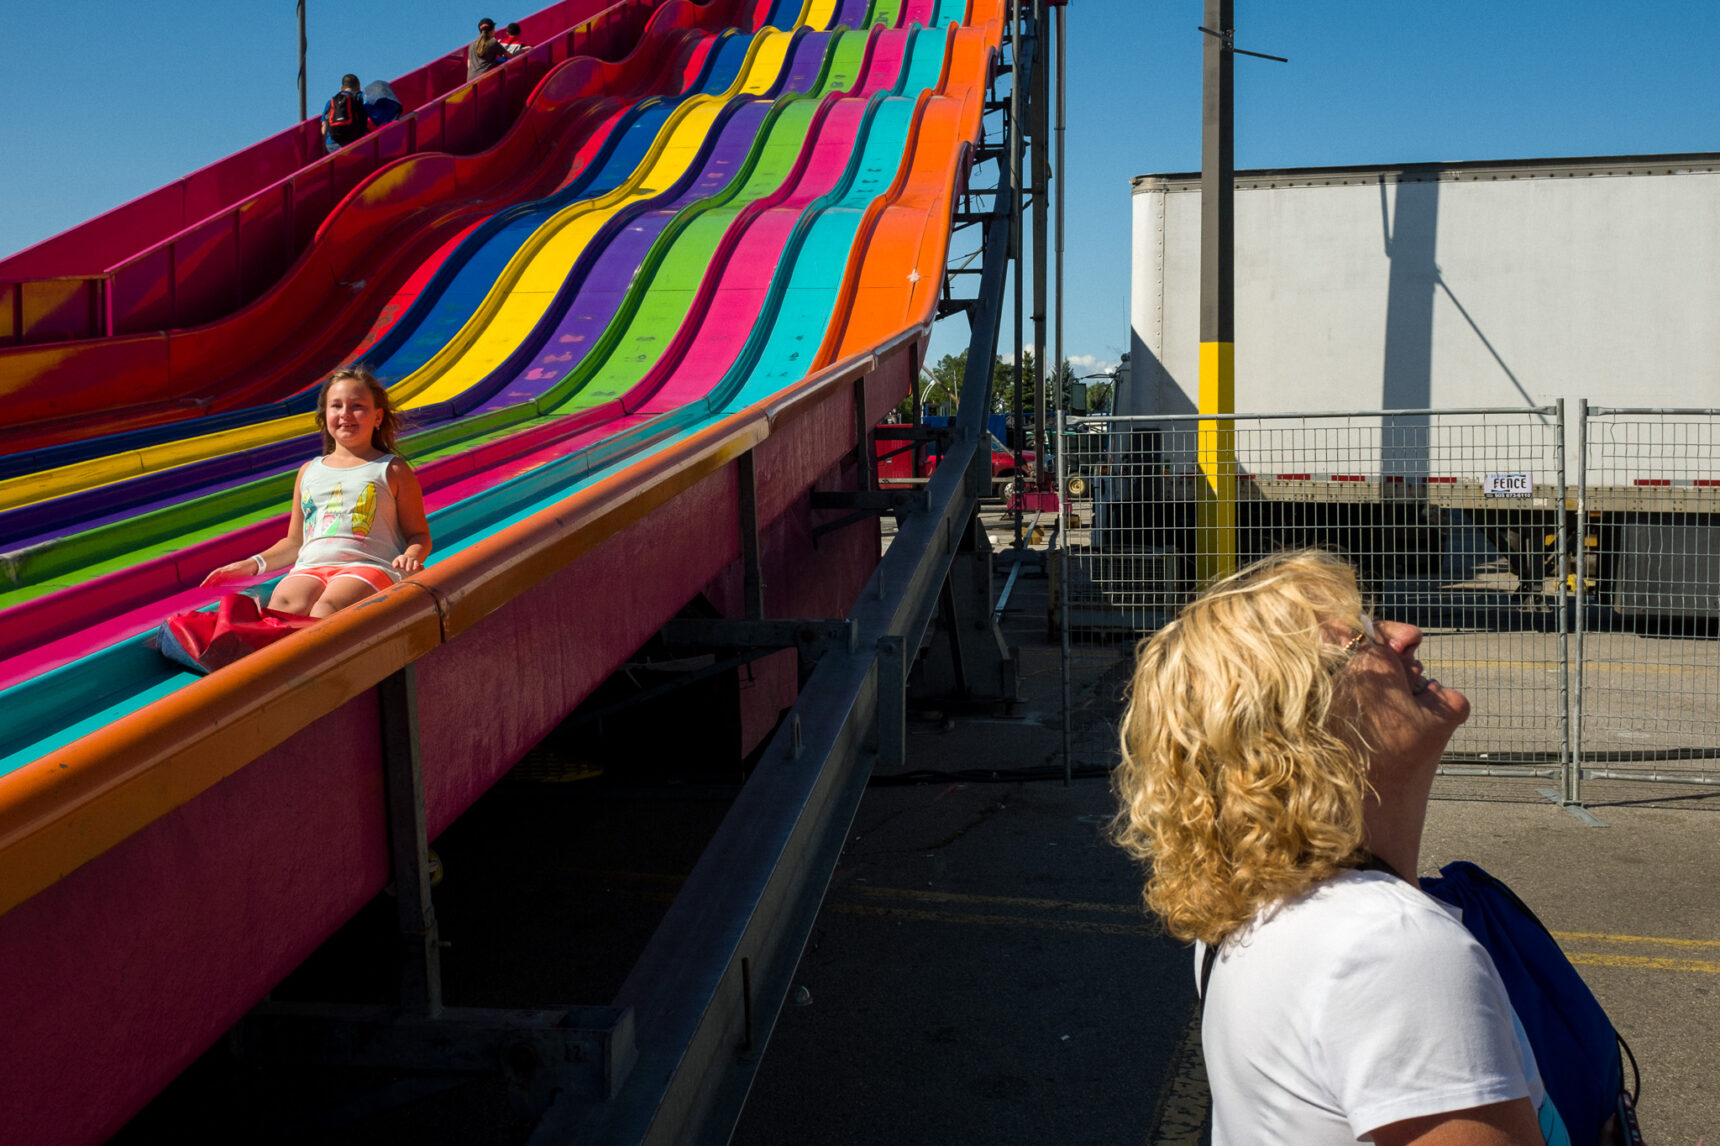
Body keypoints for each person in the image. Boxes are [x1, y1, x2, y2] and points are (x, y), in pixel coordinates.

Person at [1112, 550, 1564, 1146]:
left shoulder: (1257, 907)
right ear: (1302, 728)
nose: (1406, 634)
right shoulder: (1389, 950)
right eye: (1363, 639)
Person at [203, 367, 431, 618]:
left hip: (367, 565)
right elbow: (295, 542)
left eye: (357, 406)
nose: (345, 414)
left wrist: (411, 555)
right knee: (285, 606)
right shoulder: (308, 471)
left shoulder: (390, 468)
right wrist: (250, 565)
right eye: (336, 406)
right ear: (324, 415)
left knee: (328, 609)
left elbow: (418, 534)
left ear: (378, 417)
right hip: (310, 567)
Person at [321, 73, 369, 153]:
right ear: (358, 87)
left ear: (341, 88)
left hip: (332, 145)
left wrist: (323, 150)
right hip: (355, 143)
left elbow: (324, 126)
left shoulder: (330, 102)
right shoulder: (361, 97)